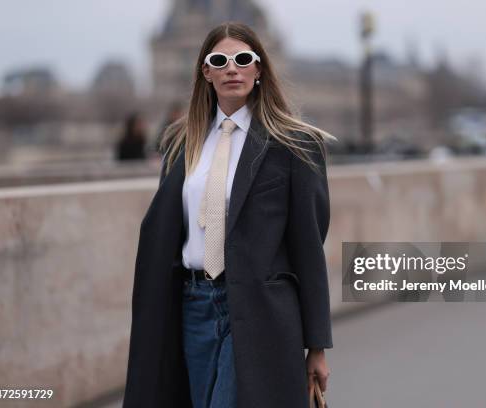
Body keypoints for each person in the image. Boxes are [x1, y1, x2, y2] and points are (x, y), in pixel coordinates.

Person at [123, 21, 336, 408]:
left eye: (242, 59)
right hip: (191, 306)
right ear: (206, 72)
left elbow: (308, 247)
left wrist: (317, 344)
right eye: (220, 60)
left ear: (259, 69)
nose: (231, 68)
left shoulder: (295, 144)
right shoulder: (180, 143)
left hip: (260, 312)